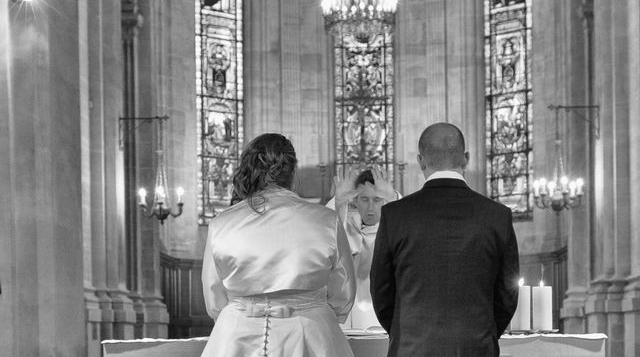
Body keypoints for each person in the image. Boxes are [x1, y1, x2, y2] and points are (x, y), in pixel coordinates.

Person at [370, 123, 520, 357]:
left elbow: (381, 292)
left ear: (420, 161)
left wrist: (405, 333)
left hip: (412, 348)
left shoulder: (395, 215)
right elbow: (507, 294)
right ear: (466, 159)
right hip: (477, 347)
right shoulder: (497, 216)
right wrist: (482, 333)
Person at [201, 133, 356, 357]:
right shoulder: (326, 220)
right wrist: (316, 311)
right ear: (293, 172)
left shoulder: (221, 223)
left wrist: (240, 313)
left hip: (236, 335)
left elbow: (214, 296)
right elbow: (343, 291)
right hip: (310, 332)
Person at [327, 166, 397, 330]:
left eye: (377, 199)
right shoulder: (344, 225)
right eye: (364, 199)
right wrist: (338, 202)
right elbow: (324, 236)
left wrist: (393, 198)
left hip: (388, 313)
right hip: (351, 316)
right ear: (355, 200)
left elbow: (412, 227)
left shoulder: (397, 229)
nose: (370, 207)